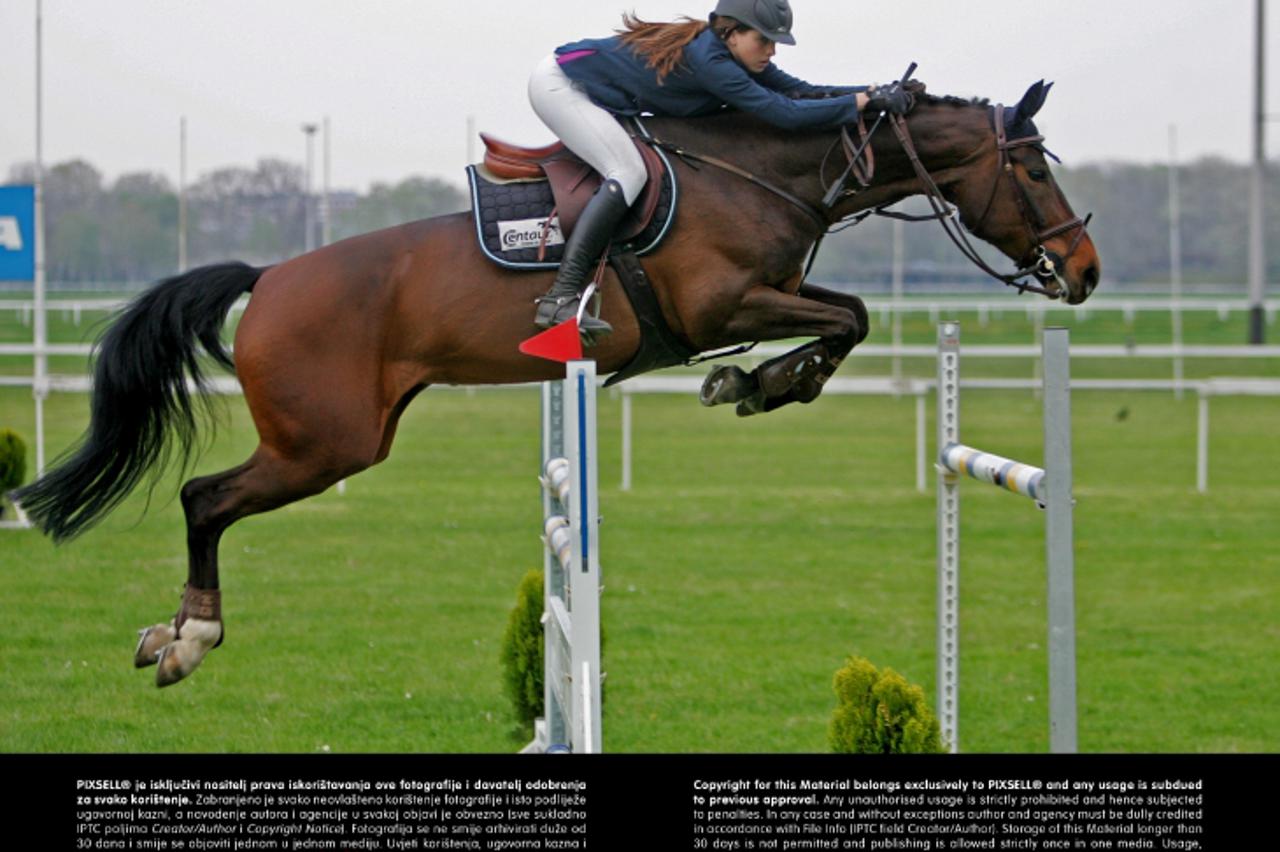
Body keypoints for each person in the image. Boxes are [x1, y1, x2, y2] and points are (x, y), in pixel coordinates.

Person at [526, 0, 912, 340]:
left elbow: (800, 90)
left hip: (590, 89)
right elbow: (784, 114)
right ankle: (560, 296)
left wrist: (873, 92)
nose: (772, 51)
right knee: (628, 172)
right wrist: (860, 102)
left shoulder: (730, 55)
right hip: (561, 86)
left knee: (631, 168)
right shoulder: (712, 64)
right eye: (764, 40)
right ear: (732, 32)